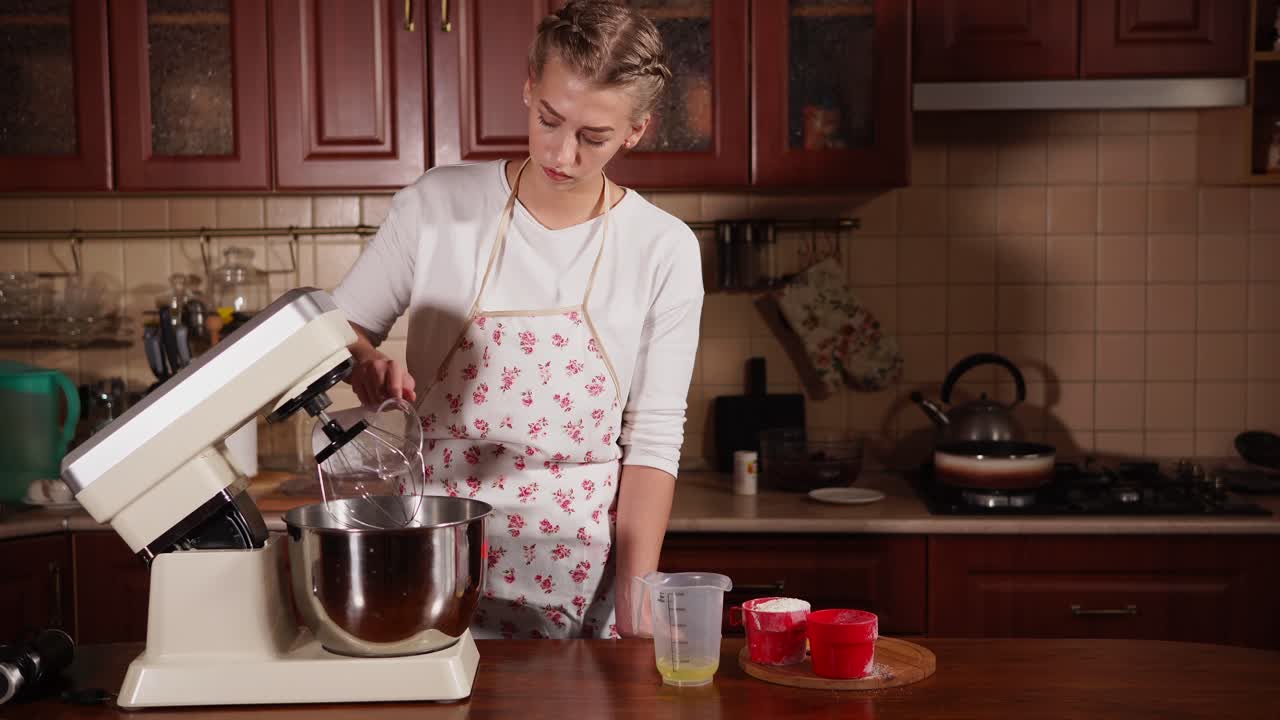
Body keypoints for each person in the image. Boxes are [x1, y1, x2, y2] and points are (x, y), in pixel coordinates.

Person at [331, 0, 702, 640]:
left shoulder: (662, 248)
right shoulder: (438, 205)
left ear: (636, 130)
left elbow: (652, 444)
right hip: (434, 561)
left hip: (579, 587)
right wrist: (364, 360)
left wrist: (640, 619)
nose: (562, 153)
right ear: (529, 85)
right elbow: (337, 327)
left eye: (595, 137)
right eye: (548, 120)